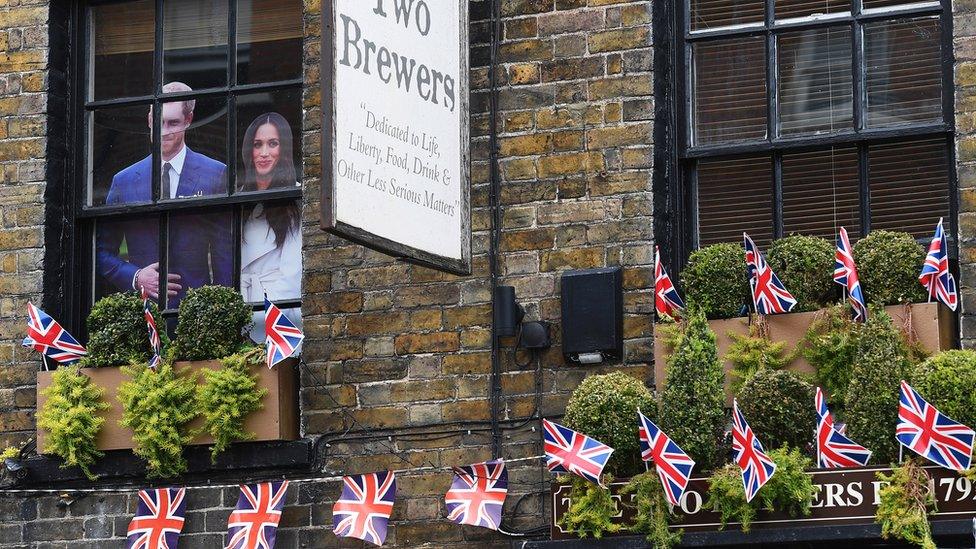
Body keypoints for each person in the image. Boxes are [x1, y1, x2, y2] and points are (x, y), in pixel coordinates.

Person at [96, 82, 233, 305]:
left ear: (188, 120)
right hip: (143, 312)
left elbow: (225, 254)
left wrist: (220, 308)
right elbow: (100, 253)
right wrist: (136, 277)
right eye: (158, 122)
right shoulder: (124, 181)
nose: (165, 131)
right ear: (149, 121)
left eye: (173, 123)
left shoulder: (215, 174)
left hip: (197, 313)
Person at [239, 112, 302, 343]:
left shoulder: (295, 196)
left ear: (283, 149)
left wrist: (270, 321)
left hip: (280, 316)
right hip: (244, 312)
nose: (264, 153)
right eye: (258, 145)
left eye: (272, 144)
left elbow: (292, 273)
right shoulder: (241, 200)